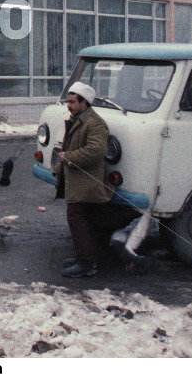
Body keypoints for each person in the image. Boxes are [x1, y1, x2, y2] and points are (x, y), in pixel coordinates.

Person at [53, 81, 114, 279]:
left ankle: (86, 263)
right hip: (77, 181)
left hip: (85, 184)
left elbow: (96, 151)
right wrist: (58, 169)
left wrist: (68, 159)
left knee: (78, 221)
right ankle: (84, 257)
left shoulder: (95, 122)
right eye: (68, 101)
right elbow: (67, 148)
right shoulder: (79, 118)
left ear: (84, 102)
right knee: (82, 223)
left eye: (72, 102)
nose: (68, 105)